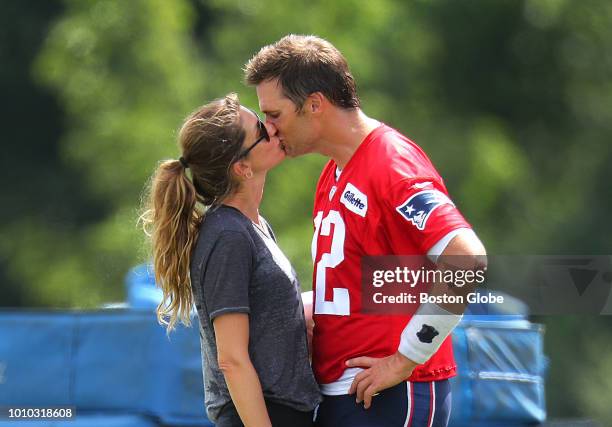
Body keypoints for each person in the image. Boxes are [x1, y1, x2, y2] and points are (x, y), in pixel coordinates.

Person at [244, 35, 487, 427]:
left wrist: (405, 358)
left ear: (314, 104)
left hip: (388, 394)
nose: (269, 130)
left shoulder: (391, 163)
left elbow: (466, 258)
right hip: (342, 394)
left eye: (274, 115)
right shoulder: (332, 172)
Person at [140, 93, 321, 426]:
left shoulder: (254, 226)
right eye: (261, 132)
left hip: (285, 411)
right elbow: (232, 360)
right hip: (259, 415)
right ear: (242, 168)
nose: (274, 128)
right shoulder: (227, 235)